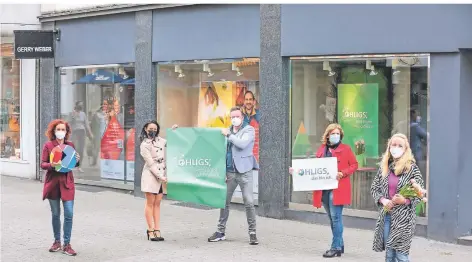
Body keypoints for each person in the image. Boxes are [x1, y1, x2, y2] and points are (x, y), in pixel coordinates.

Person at [174, 107, 259, 245]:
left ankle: (252, 233)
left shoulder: (248, 130)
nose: (234, 119)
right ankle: (220, 231)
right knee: (224, 202)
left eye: (237, 116)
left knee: (249, 202)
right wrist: (178, 132)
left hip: (245, 172)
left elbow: (242, 144)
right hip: (230, 172)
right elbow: (211, 142)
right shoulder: (227, 130)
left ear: (242, 117)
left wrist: (228, 135)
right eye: (232, 117)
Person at [289, 123, 358, 258]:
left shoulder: (346, 149)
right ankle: (340, 243)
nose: (335, 136)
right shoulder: (322, 149)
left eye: (338, 133)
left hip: (338, 189)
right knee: (332, 219)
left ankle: (335, 247)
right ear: (327, 135)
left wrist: (342, 173)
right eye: (333, 133)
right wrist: (296, 171)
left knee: (336, 218)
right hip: (324, 189)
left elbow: (354, 165)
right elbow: (313, 168)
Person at [370, 133, 425, 262]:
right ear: (389, 147)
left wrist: (405, 200)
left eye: (400, 145)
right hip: (388, 215)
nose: (396, 147)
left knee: (401, 255)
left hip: (404, 218)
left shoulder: (412, 169)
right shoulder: (384, 167)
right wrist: (383, 201)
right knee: (389, 254)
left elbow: (420, 193)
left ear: (406, 150)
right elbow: (374, 188)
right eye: (393, 145)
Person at [41, 119, 80, 256]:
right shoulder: (48, 145)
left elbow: (73, 163)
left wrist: (77, 160)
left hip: (67, 183)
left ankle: (67, 244)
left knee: (69, 214)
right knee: (56, 214)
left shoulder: (70, 145)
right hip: (53, 184)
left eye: (63, 129)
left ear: (67, 132)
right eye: (58, 129)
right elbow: (43, 164)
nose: (61, 132)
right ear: (53, 131)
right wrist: (54, 164)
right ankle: (57, 242)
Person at [140, 120, 167, 241]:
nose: (153, 131)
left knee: (158, 203)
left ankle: (157, 229)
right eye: (151, 129)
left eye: (155, 129)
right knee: (150, 202)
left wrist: (174, 130)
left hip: (161, 173)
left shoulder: (161, 141)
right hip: (151, 175)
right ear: (146, 129)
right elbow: (150, 164)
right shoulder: (144, 145)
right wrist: (160, 176)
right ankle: (150, 230)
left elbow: (173, 142)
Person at [69, 101, 93, 172]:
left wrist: (90, 133)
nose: (81, 106)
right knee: (75, 148)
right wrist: (74, 115)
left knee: (81, 149)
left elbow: (86, 124)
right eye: (80, 105)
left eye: (82, 105)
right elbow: (69, 123)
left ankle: (79, 165)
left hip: (82, 132)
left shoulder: (83, 114)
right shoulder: (72, 113)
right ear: (76, 105)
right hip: (75, 132)